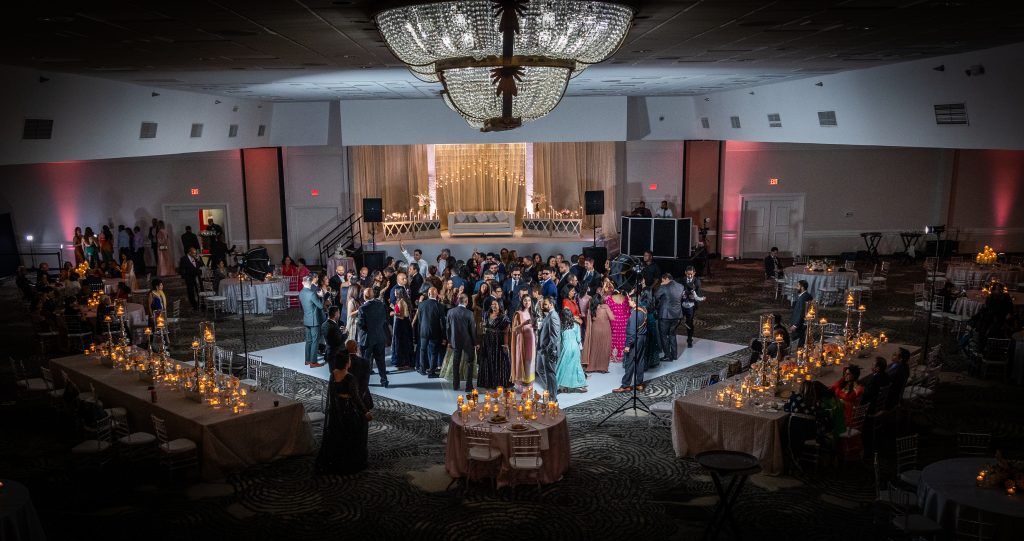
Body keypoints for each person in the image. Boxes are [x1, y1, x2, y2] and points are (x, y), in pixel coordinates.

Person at [314, 354, 372, 475]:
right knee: (357, 429)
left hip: (336, 409)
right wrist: (365, 411)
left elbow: (332, 393)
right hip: (348, 410)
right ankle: (351, 461)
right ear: (347, 363)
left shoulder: (333, 374)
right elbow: (356, 398)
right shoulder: (350, 378)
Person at [615, 296, 649, 393]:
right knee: (640, 360)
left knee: (630, 362)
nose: (628, 302)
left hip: (635, 339)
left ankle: (625, 385)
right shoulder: (644, 310)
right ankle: (639, 383)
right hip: (642, 338)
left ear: (634, 302)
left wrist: (628, 345)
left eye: (629, 300)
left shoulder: (634, 314)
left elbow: (632, 332)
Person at [358, 287, 389, 388]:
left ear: (364, 296)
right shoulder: (381, 305)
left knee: (365, 362)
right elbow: (385, 319)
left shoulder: (362, 308)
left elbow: (361, 324)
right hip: (380, 336)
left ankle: (364, 382)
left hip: (367, 339)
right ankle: (384, 380)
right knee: (381, 360)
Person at [477, 298, 511, 389]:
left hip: (498, 342)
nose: (493, 306)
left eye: (495, 304)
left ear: (500, 305)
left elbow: (506, 332)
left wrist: (506, 344)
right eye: (492, 304)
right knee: (487, 360)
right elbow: (484, 327)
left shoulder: (504, 317)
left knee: (497, 361)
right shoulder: (487, 314)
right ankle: (488, 382)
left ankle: (497, 383)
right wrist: (483, 326)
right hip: (487, 340)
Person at [446, 293, 476, 392]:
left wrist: (449, 340)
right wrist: (475, 342)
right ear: (466, 301)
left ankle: (455, 385)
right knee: (469, 363)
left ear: (458, 301)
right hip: (467, 342)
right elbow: (472, 330)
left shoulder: (450, 312)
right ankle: (468, 386)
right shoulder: (469, 313)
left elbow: (448, 328)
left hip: (455, 341)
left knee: (456, 363)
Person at [414, 286, 446, 377]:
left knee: (422, 350)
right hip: (435, 332)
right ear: (437, 295)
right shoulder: (440, 306)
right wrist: (444, 336)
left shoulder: (421, 304)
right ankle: (431, 372)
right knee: (434, 352)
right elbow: (443, 322)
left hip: (423, 331)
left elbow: (419, 320)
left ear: (428, 294)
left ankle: (422, 369)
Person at [556, 307, 586, 393]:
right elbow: (578, 339)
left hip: (566, 347)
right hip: (575, 347)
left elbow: (560, 340)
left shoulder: (562, 327)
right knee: (576, 366)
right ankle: (581, 385)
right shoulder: (576, 325)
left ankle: (559, 385)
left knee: (563, 366)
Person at [536, 297, 562, 399]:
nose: (543, 306)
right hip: (542, 349)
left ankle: (552, 397)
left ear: (551, 304)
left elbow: (555, 336)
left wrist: (548, 349)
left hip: (548, 350)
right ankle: (552, 389)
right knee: (540, 369)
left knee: (550, 373)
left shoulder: (553, 316)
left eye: (545, 304)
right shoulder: (549, 315)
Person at [655, 273, 684, 362]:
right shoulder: (681, 286)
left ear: (666, 278)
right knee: (672, 334)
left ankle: (668, 356)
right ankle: (674, 355)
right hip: (677, 315)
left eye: (663, 280)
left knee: (664, 336)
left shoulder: (664, 287)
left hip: (665, 315)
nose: (662, 282)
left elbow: (656, 296)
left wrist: (661, 286)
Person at [510, 295, 537, 388]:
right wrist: (524, 323)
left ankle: (529, 383)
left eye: (529, 300)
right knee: (523, 360)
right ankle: (521, 385)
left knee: (530, 360)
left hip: (531, 340)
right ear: (522, 302)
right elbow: (514, 329)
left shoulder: (532, 313)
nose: (527, 302)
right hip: (522, 341)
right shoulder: (518, 314)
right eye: (525, 300)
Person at [583, 293, 614, 373]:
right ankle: (603, 368)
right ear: (601, 300)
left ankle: (591, 367)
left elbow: (589, 320)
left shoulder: (591, 308)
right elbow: (612, 318)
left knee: (594, 348)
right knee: (604, 348)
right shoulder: (605, 307)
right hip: (605, 330)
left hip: (595, 329)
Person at [300, 275, 324, 367]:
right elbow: (321, 306)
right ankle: (313, 362)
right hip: (314, 320)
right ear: (310, 283)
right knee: (315, 341)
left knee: (308, 340)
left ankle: (307, 360)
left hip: (306, 319)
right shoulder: (312, 293)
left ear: (303, 283)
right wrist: (321, 297)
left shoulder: (301, 292)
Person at [391, 288, 415, 370]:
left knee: (401, 342)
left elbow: (401, 315)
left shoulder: (401, 302)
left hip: (401, 323)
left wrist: (393, 313)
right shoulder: (402, 301)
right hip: (404, 323)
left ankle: (403, 362)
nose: (394, 293)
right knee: (404, 342)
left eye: (395, 292)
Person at [681, 266, 705, 348]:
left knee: (689, 322)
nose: (690, 276)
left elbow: (698, 294)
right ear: (685, 273)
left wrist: (697, 298)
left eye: (691, 274)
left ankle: (689, 339)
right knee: (677, 320)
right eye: (688, 274)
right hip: (682, 304)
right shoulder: (682, 280)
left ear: (694, 273)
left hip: (691, 305)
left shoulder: (697, 281)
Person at [607, 288, 630, 361]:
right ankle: (623, 355)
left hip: (614, 320)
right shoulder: (626, 298)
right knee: (623, 337)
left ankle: (614, 355)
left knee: (614, 337)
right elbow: (628, 310)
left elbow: (608, 311)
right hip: (624, 321)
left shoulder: (609, 299)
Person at [789, 280, 813, 346]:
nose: (796, 287)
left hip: (799, 324)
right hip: (802, 323)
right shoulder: (807, 295)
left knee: (797, 342)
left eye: (798, 286)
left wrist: (795, 325)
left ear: (802, 287)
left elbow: (801, 312)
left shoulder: (803, 298)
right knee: (801, 339)